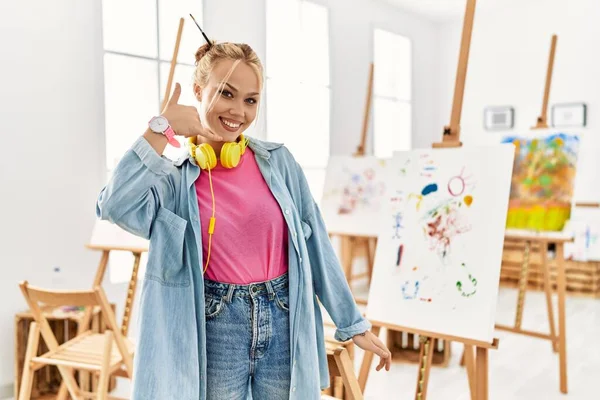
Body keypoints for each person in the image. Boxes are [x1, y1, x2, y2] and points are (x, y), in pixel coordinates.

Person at [96, 40, 391, 400]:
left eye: (250, 100)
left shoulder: (279, 163)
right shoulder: (172, 183)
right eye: (226, 94)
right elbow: (113, 205)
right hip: (216, 323)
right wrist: (161, 129)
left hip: (283, 314)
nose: (238, 111)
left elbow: (317, 246)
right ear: (198, 91)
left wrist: (351, 323)